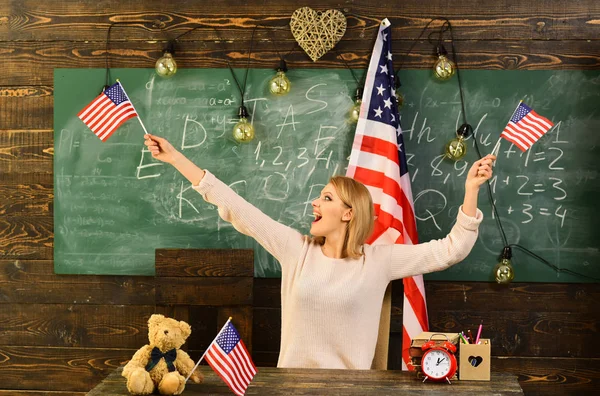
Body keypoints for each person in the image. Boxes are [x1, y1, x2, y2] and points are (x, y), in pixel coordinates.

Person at [144, 134, 496, 370]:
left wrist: (471, 190)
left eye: (326, 198)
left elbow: (451, 250)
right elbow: (234, 206)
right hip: (292, 389)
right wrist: (175, 158)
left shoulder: (379, 260)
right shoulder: (295, 249)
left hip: (350, 391)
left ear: (348, 213)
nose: (315, 202)